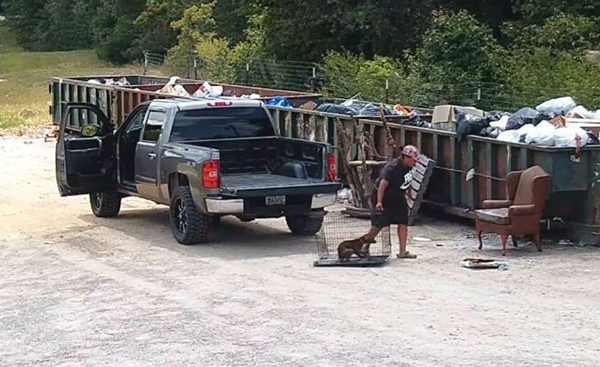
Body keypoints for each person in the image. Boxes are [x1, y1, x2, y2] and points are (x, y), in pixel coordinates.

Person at [364, 145, 420, 259]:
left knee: (403, 221)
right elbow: (382, 186)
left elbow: (406, 181)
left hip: (397, 194)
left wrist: (407, 194)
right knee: (379, 222)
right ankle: (364, 247)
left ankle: (402, 251)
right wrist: (379, 202)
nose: (414, 163)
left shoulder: (409, 167)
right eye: (413, 160)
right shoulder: (392, 169)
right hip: (384, 195)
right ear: (406, 158)